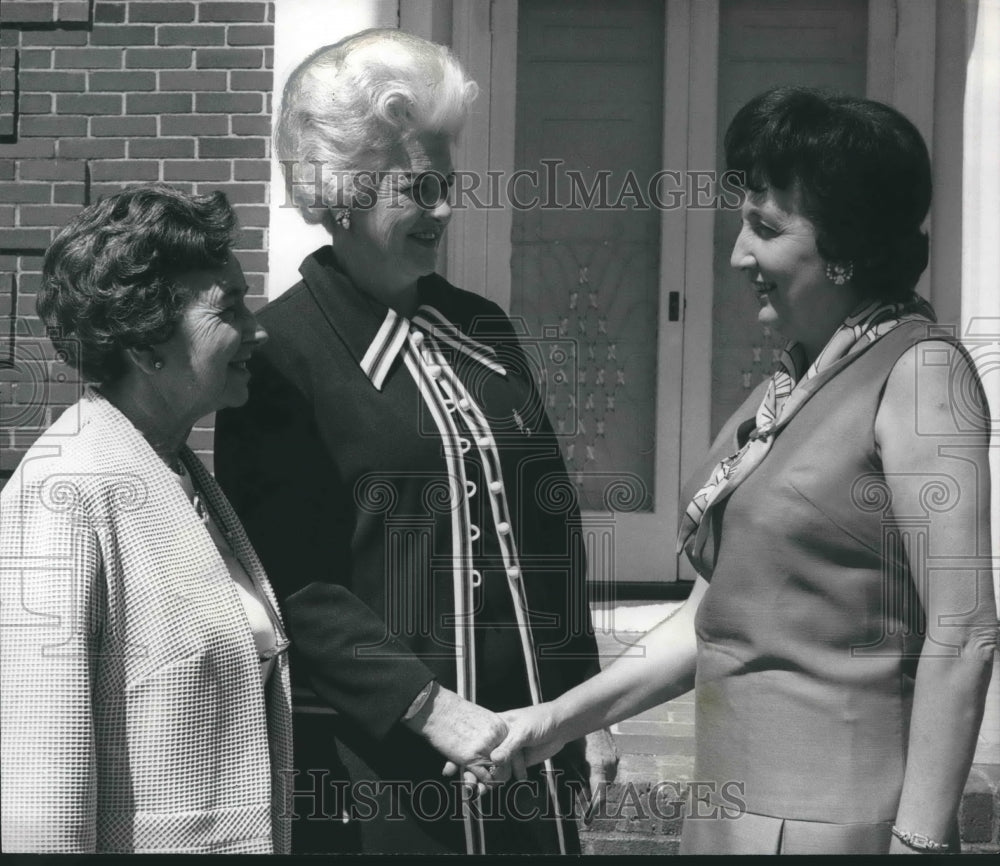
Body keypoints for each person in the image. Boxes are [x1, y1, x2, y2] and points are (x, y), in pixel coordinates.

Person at [488, 87, 998, 855]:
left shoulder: (921, 374)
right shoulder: (788, 388)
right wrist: (554, 719)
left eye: (765, 227)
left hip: (845, 827)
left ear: (847, 246)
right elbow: (710, 623)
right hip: (728, 819)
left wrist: (919, 845)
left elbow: (964, 633)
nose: (737, 254)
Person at [214, 28, 615, 855]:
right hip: (380, 773)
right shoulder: (281, 355)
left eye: (448, 183)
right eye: (418, 187)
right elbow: (291, 575)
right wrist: (430, 709)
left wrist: (586, 707)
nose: (443, 209)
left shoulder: (484, 328)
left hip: (525, 753)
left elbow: (553, 532)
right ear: (342, 191)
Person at [0, 184, 291, 853]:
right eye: (230, 308)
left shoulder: (175, 470)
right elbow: (38, 798)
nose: (257, 330)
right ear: (144, 340)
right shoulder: (64, 494)